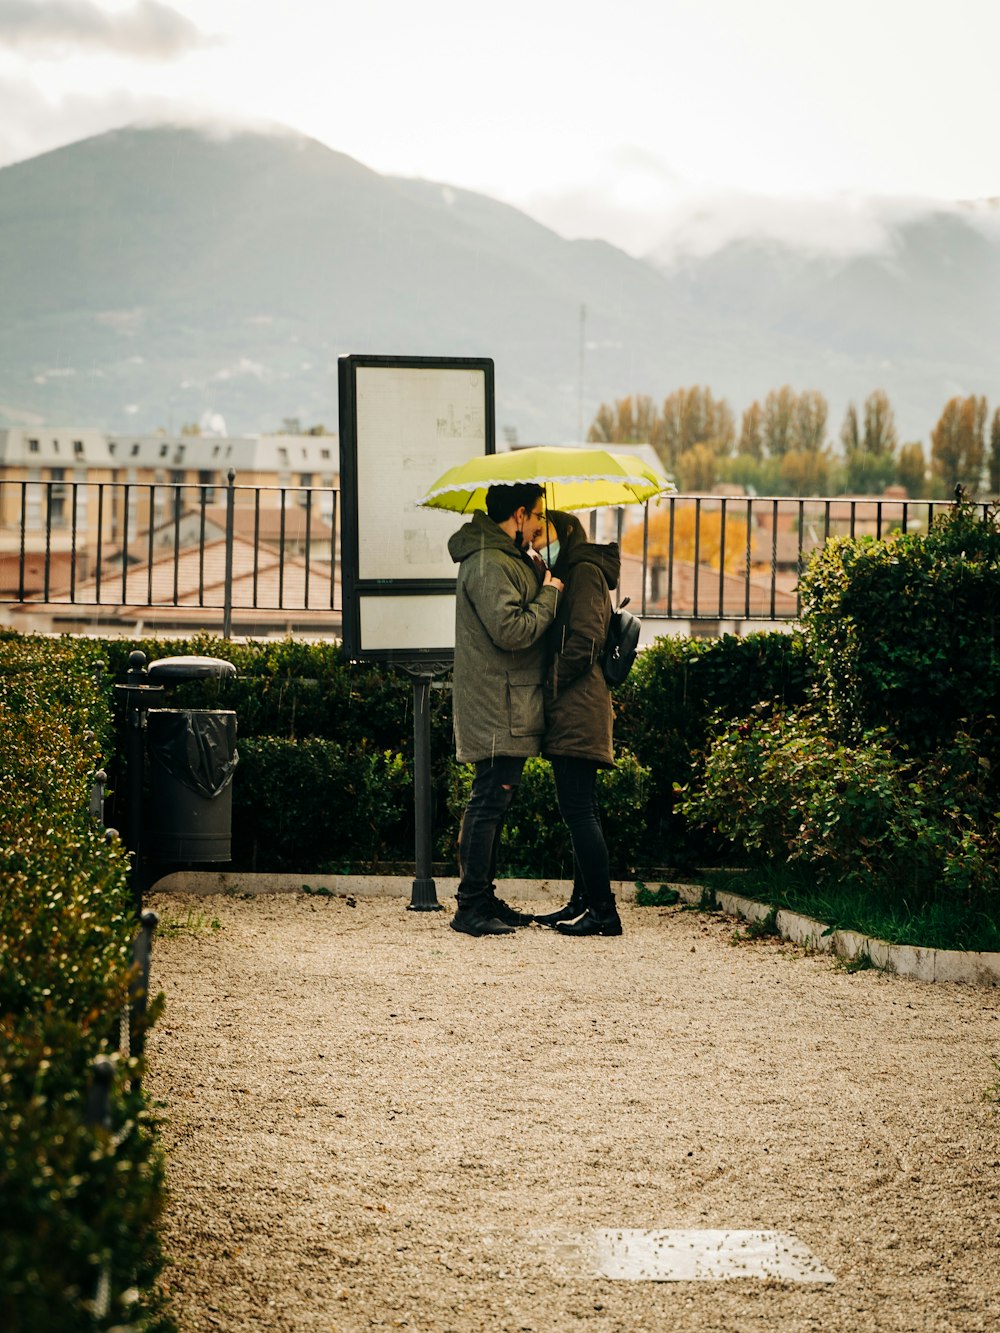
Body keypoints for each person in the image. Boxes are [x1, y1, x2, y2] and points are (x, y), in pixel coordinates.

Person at [448, 483, 564, 936]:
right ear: (518, 515)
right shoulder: (489, 562)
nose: (540, 527)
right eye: (537, 517)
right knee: (488, 802)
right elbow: (511, 630)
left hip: (506, 698)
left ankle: (482, 896)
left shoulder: (502, 558)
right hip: (498, 701)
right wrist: (550, 591)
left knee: (493, 800)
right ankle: (470, 905)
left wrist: (535, 570)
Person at [534, 509, 623, 936]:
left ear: (565, 533)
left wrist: (549, 683)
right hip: (575, 706)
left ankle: (604, 912)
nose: (536, 542)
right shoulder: (569, 570)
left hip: (578, 705)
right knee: (581, 807)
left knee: (578, 809)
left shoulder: (585, 571)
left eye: (541, 534)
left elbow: (587, 640)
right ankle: (582, 901)